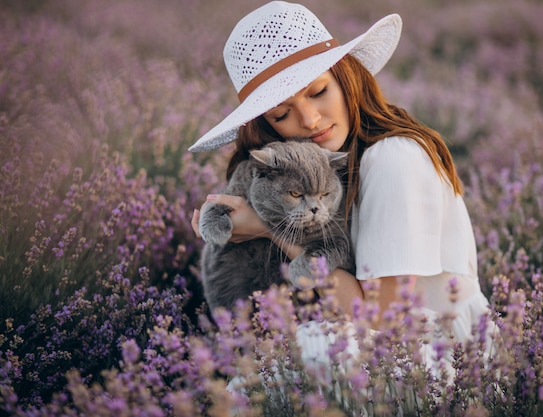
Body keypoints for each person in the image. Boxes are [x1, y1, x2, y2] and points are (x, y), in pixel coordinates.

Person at [190, 1, 496, 370]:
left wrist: (267, 231)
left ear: (345, 75)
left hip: (438, 357)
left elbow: (379, 322)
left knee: (302, 358)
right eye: (282, 114)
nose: (309, 119)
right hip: (391, 350)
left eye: (318, 91)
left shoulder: (392, 158)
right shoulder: (339, 162)